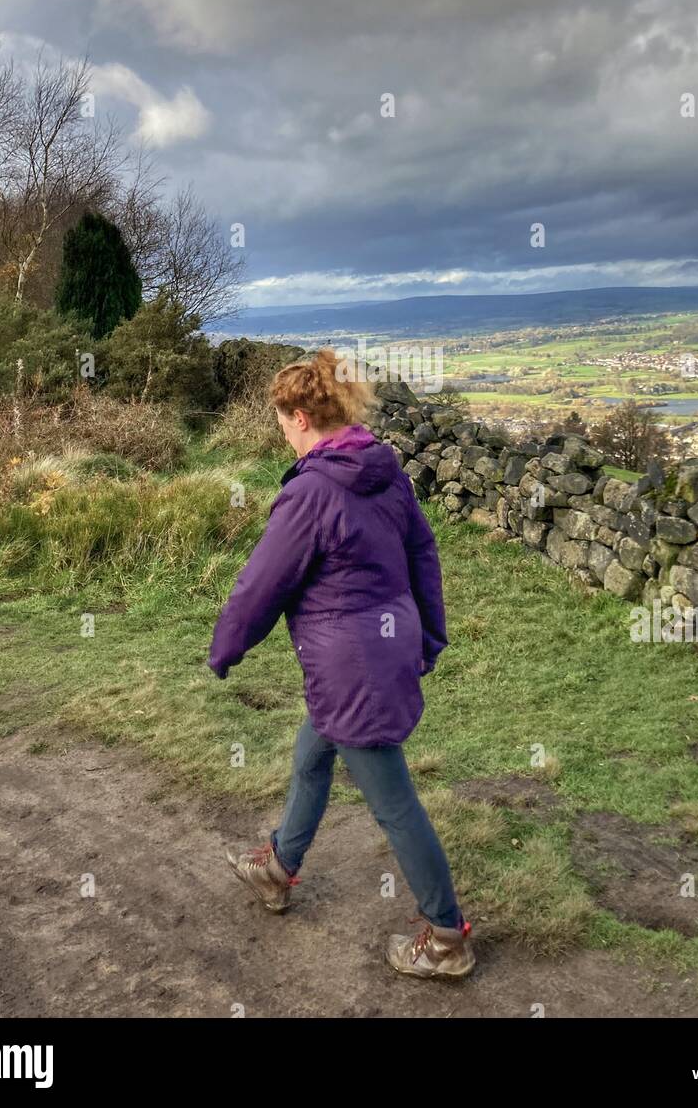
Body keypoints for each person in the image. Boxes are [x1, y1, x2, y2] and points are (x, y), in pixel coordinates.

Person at [208, 350, 474, 979]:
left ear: (299, 416)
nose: (280, 427)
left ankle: (445, 938)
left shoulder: (312, 491)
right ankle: (278, 866)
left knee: (393, 801)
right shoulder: (384, 471)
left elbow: (259, 587)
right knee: (312, 754)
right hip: (377, 651)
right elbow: (423, 557)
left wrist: (226, 648)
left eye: (281, 417)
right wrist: (428, 634)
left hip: (352, 666)